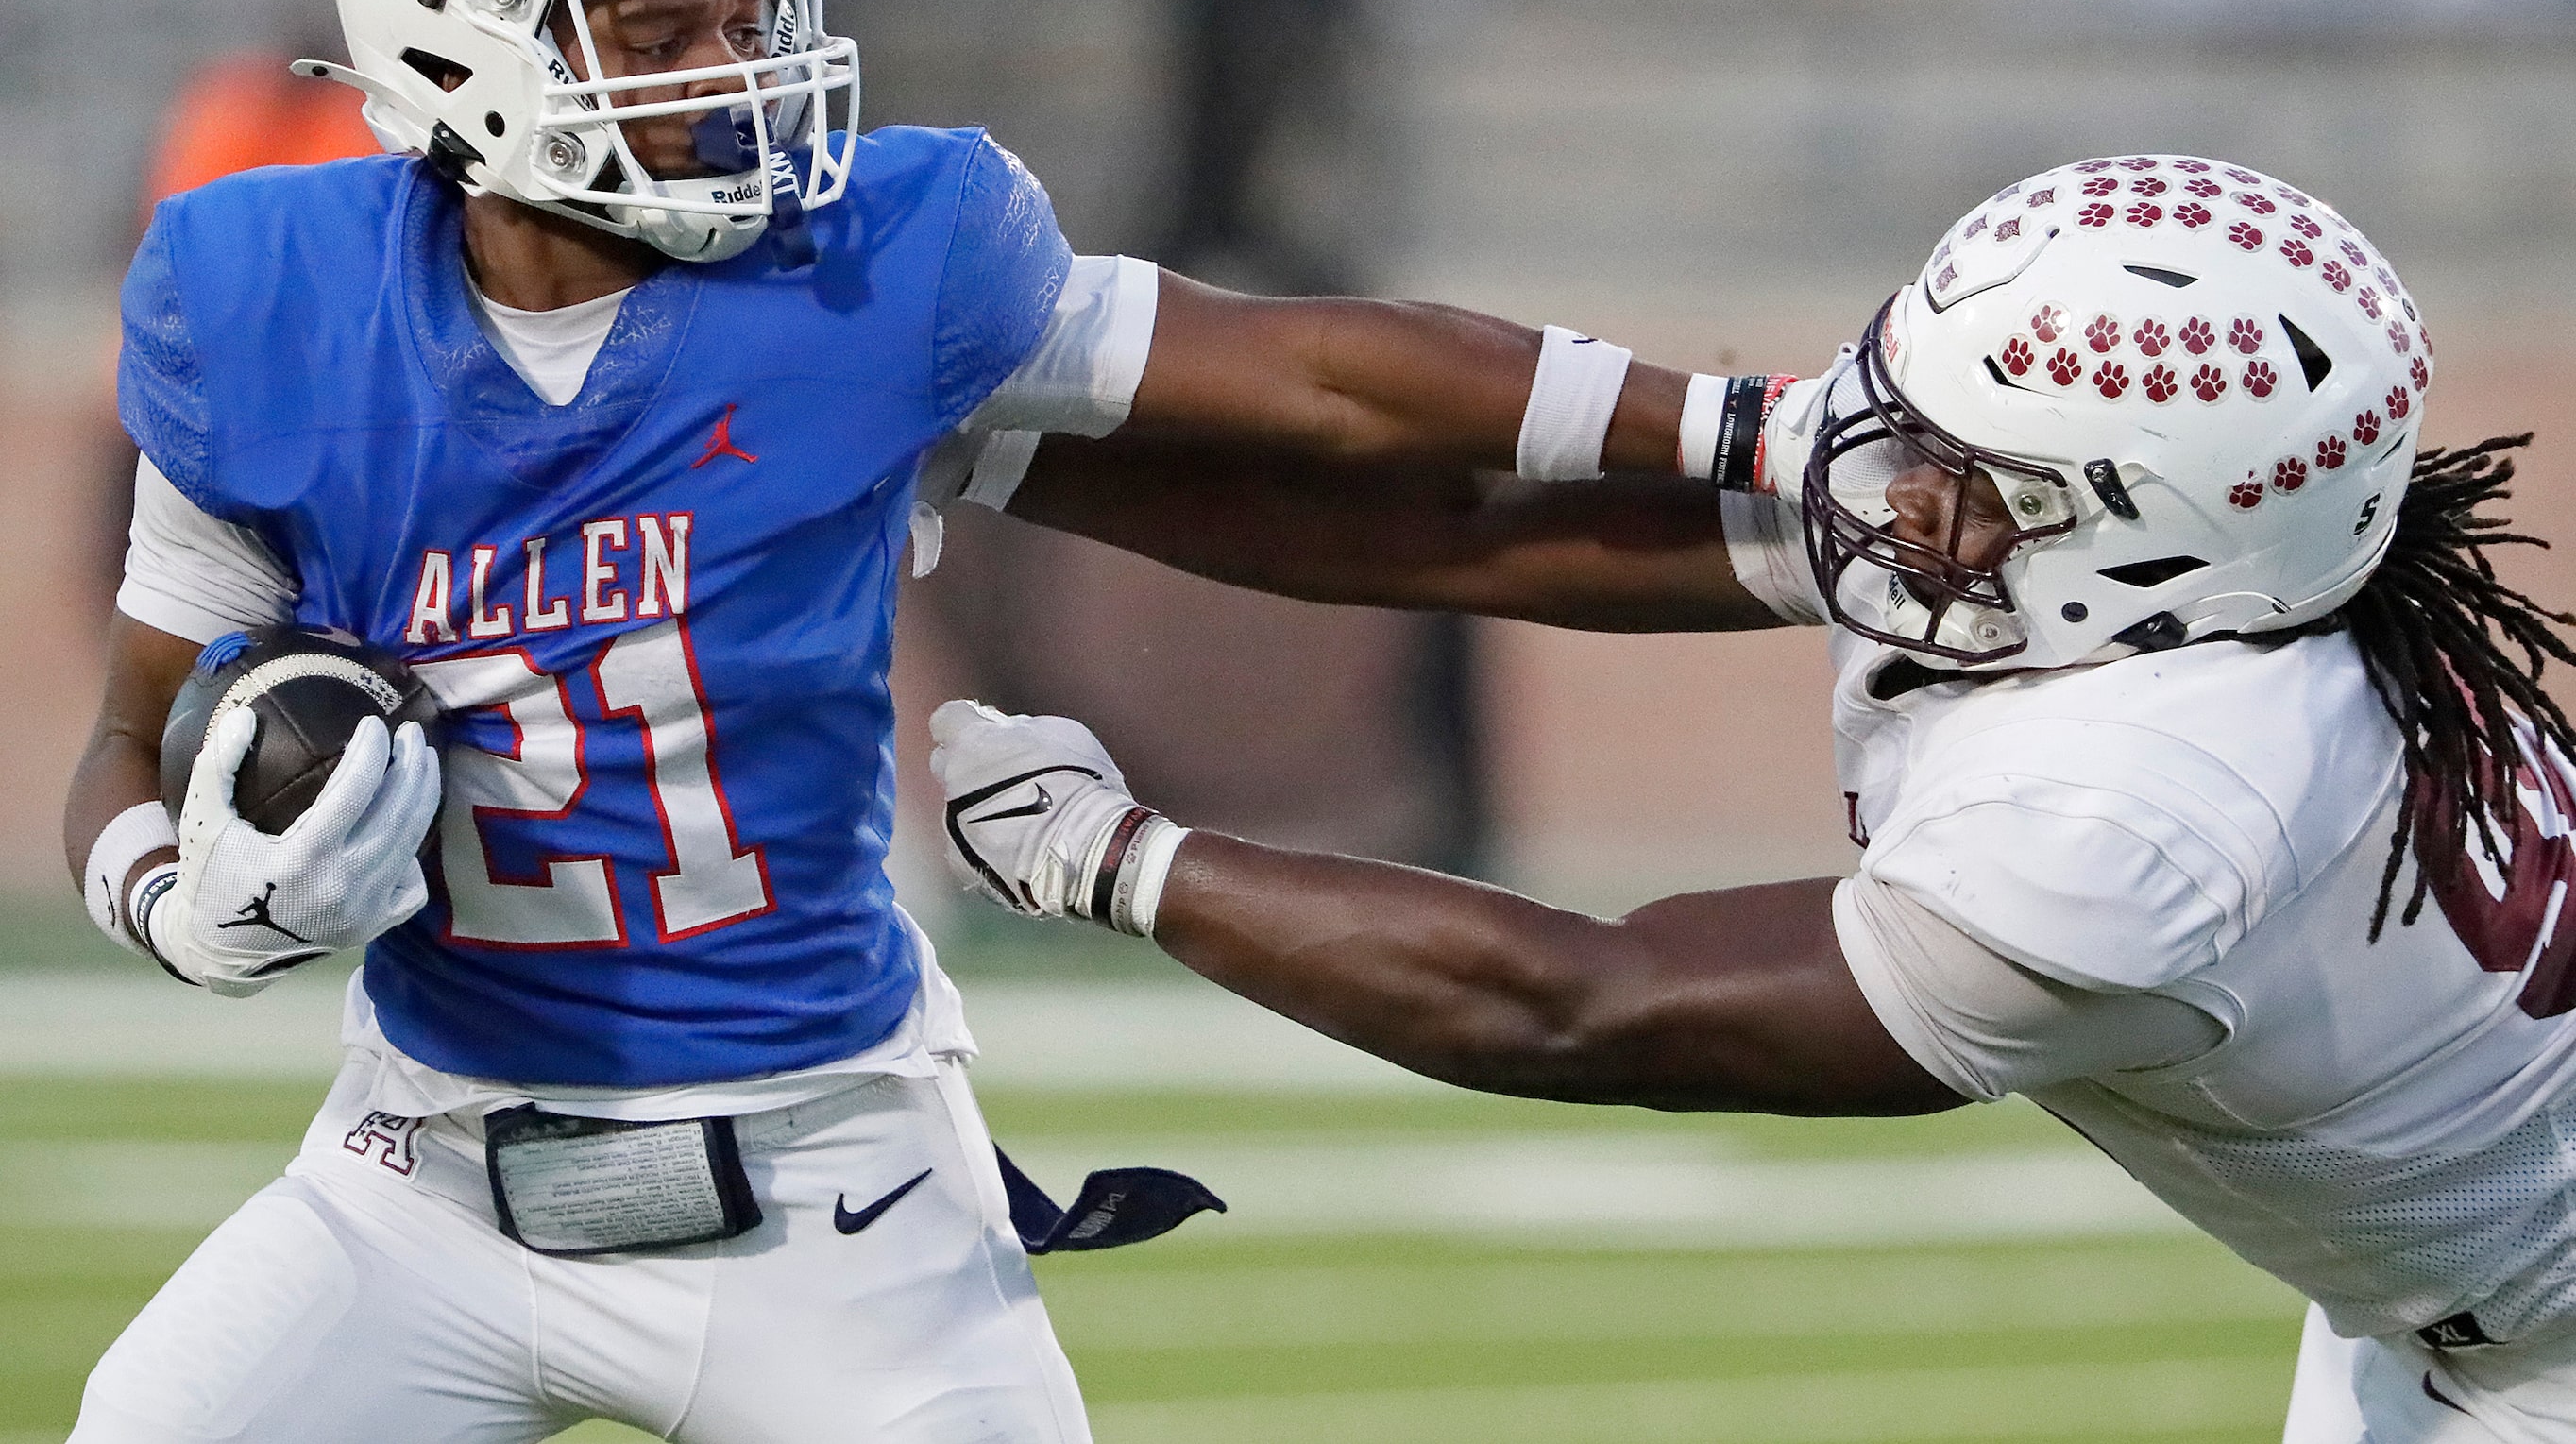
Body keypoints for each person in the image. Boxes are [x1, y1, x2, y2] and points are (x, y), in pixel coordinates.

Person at [63, 0, 1708, 1444]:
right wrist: (189, 904)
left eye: (745, 4)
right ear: (463, 38)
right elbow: (128, 734)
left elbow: (1314, 376)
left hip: (825, 1185)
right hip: (422, 1173)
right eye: (658, 24)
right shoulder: (264, 295)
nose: (733, 64)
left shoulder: (872, 260)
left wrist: (1744, 430)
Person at [929, 152, 2576, 1443]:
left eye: (1972, 475)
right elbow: (1475, 524)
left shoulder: (2149, 817)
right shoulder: (2152, 565)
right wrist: (990, 446)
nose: (1893, 478)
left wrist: (1121, 859)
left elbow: (1595, 1006)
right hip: (2459, 1320)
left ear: (2155, 549)